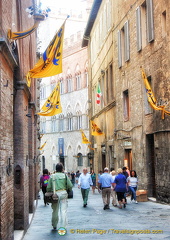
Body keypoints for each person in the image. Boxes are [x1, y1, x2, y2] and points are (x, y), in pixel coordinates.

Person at [46, 163, 73, 230]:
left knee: (55, 210)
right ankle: (63, 226)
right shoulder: (65, 176)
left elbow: (48, 188)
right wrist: (68, 190)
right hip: (63, 194)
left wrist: (50, 191)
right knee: (63, 210)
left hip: (55, 195)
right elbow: (70, 186)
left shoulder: (52, 176)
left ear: (56, 169)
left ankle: (54, 225)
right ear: (62, 169)